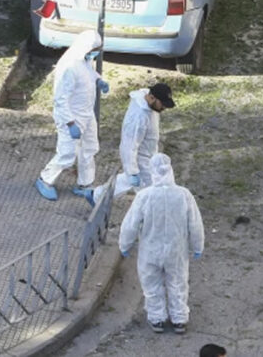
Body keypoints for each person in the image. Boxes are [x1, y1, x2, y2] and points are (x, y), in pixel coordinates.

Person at [119, 153, 205, 335]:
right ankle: (179, 319)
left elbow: (130, 224)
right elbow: (195, 224)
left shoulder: (144, 196)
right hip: (176, 250)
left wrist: (124, 245)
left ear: (153, 172)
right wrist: (197, 246)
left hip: (150, 250)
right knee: (178, 283)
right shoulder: (184, 195)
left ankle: (157, 318)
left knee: (151, 284)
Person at [35, 31, 109, 204]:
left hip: (86, 113)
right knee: (67, 153)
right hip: (71, 117)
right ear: (87, 48)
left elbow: (88, 73)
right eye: (95, 50)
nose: (96, 53)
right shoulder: (69, 66)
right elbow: (60, 99)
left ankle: (85, 183)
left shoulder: (83, 59)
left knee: (90, 148)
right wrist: (70, 123)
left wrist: (98, 80)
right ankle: (45, 179)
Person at [118, 83, 176, 190]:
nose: (164, 107)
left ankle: (95, 195)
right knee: (151, 191)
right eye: (162, 104)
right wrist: (132, 172)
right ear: (152, 98)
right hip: (141, 159)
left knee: (126, 182)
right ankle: (97, 195)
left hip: (150, 155)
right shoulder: (138, 117)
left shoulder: (150, 105)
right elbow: (128, 145)